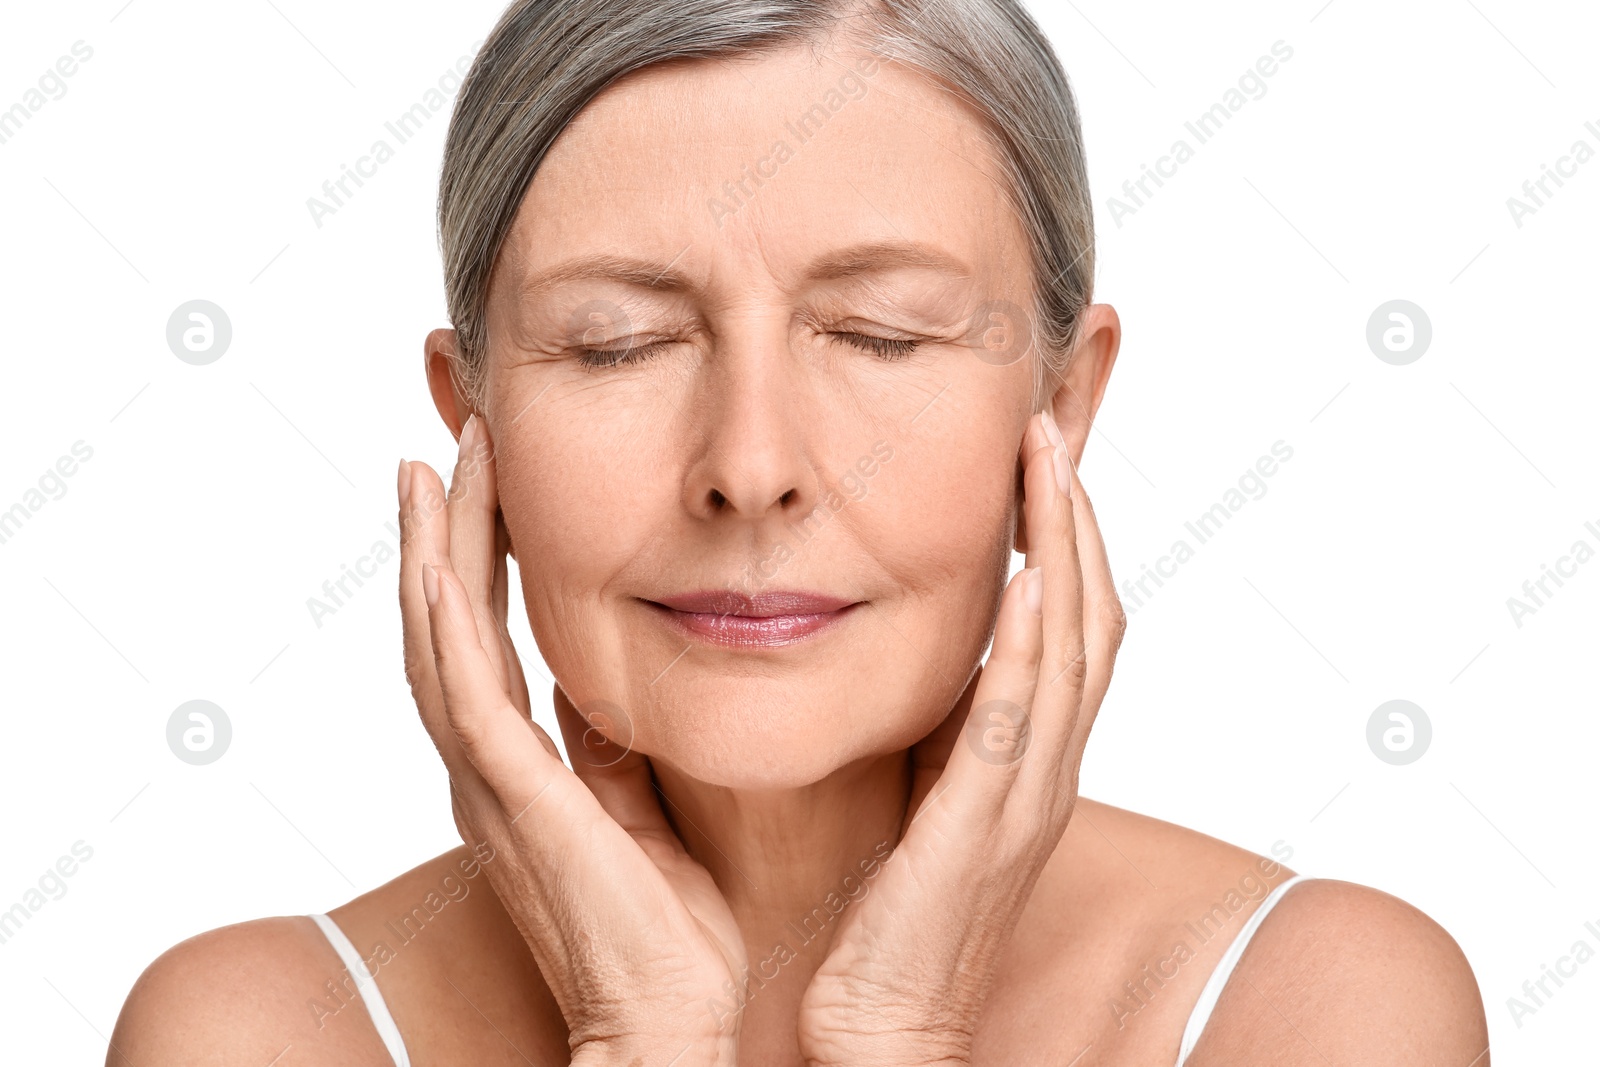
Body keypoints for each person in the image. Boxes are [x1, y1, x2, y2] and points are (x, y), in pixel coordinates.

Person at [108, 1, 1489, 1063]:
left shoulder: (1316, 1004)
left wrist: (901, 1033)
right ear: (475, 433)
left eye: (881, 333)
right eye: (618, 345)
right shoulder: (258, 1034)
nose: (751, 467)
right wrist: (640, 1032)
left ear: (1060, 406)